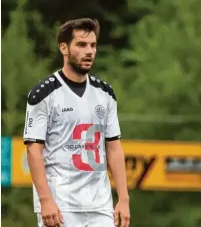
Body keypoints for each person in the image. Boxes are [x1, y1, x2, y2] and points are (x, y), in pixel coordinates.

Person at [23, 18, 130, 227]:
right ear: (64, 48)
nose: (89, 51)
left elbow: (114, 148)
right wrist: (46, 201)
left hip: (100, 205)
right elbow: (33, 151)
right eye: (81, 45)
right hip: (61, 205)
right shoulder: (43, 94)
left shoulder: (105, 94)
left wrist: (124, 199)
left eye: (93, 45)